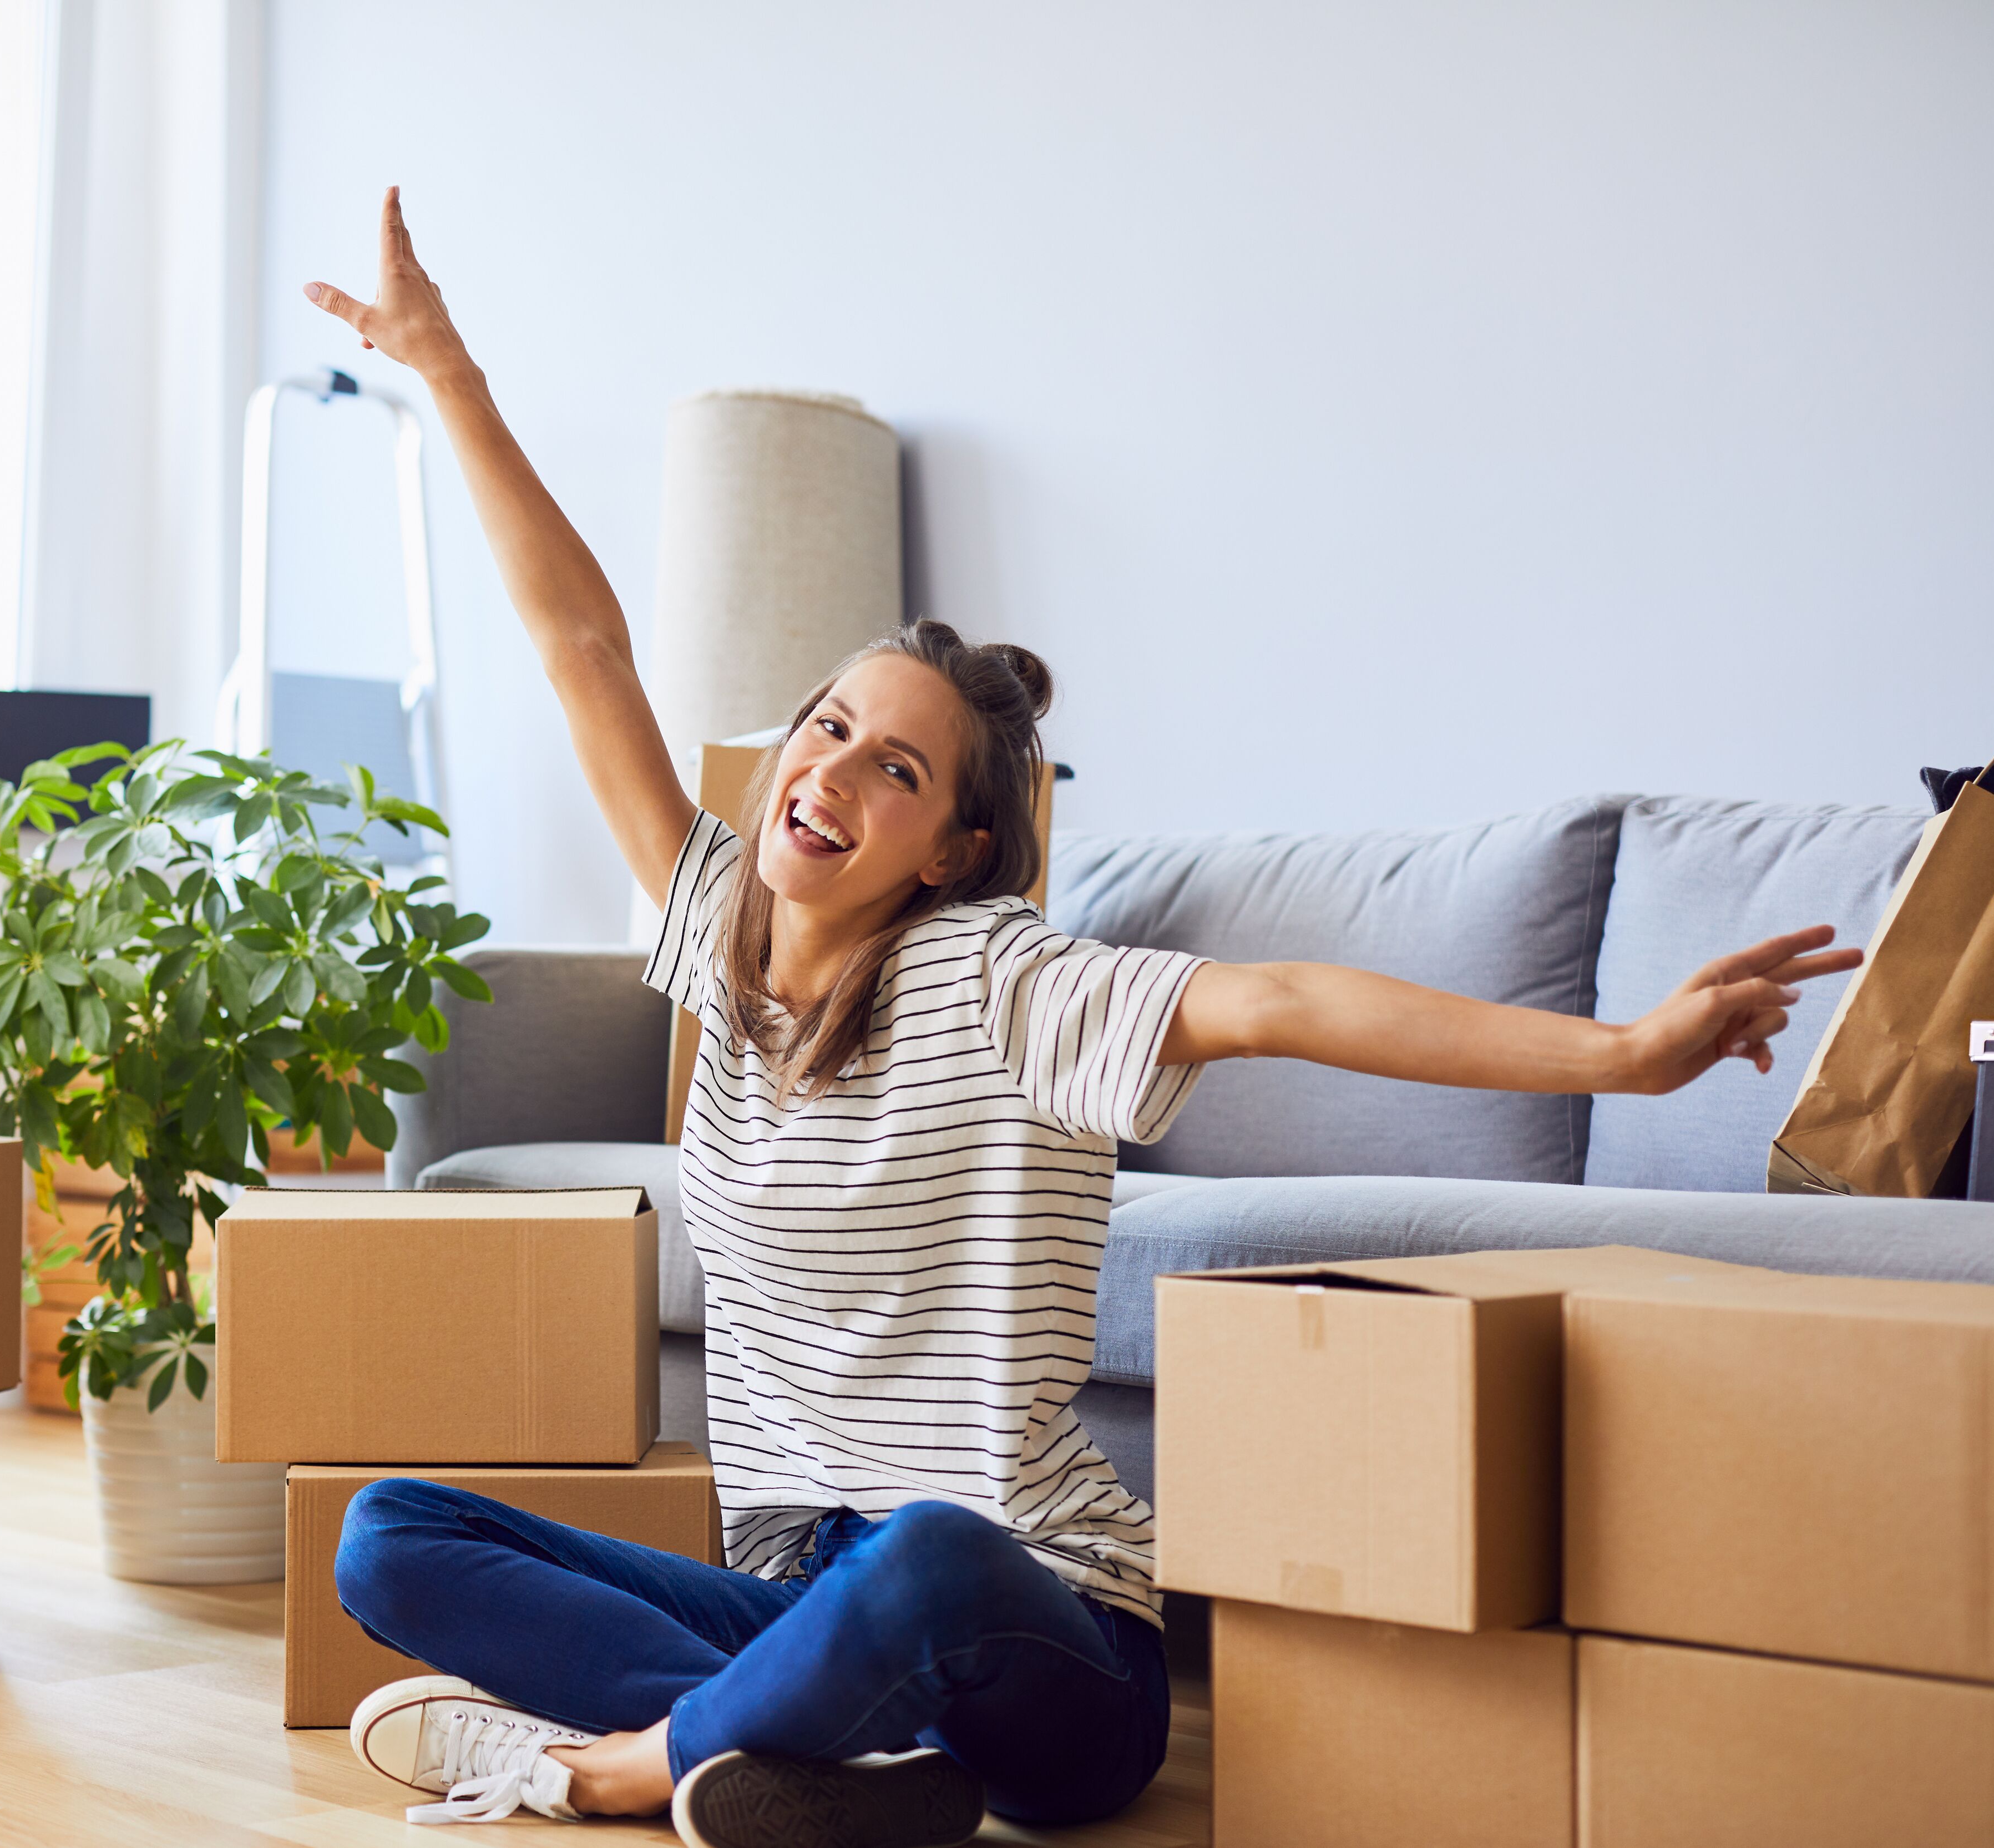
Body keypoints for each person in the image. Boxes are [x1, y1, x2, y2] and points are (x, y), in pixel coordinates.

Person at [298, 188, 1860, 1848]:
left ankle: (614, 1763)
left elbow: (1278, 1000)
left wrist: (1619, 1053)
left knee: (922, 1553)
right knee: (387, 1533)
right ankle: (821, 1760)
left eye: (894, 767)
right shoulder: (718, 929)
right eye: (825, 727)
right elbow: (578, 642)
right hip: (811, 1593)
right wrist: (444, 368)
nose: (828, 770)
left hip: (1043, 1634)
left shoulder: (1005, 977)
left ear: (956, 846)